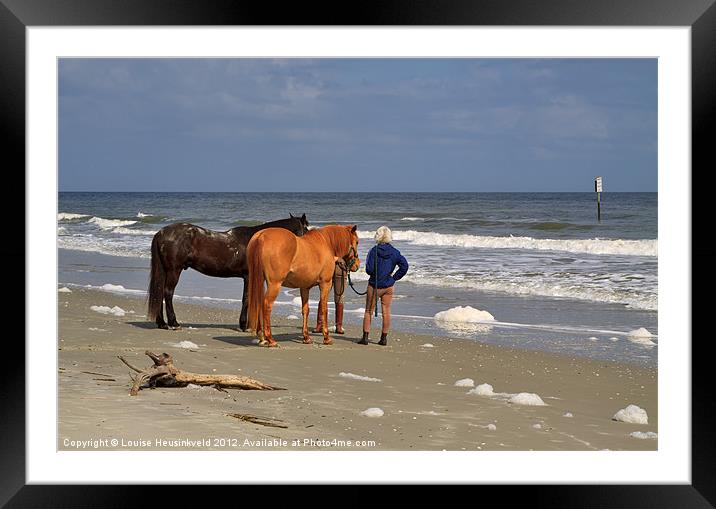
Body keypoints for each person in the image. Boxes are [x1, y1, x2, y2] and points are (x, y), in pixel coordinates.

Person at [359, 226, 409, 346]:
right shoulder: (395, 252)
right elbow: (405, 266)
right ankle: (383, 339)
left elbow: (369, 270)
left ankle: (365, 338)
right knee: (386, 312)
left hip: (374, 286)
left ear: (377, 236)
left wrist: (377, 273)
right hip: (388, 286)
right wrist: (394, 278)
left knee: (368, 311)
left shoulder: (373, 251)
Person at [312, 263, 347, 335]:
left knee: (339, 297)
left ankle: (339, 326)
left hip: (341, 269)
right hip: (327, 268)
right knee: (323, 297)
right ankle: (320, 324)